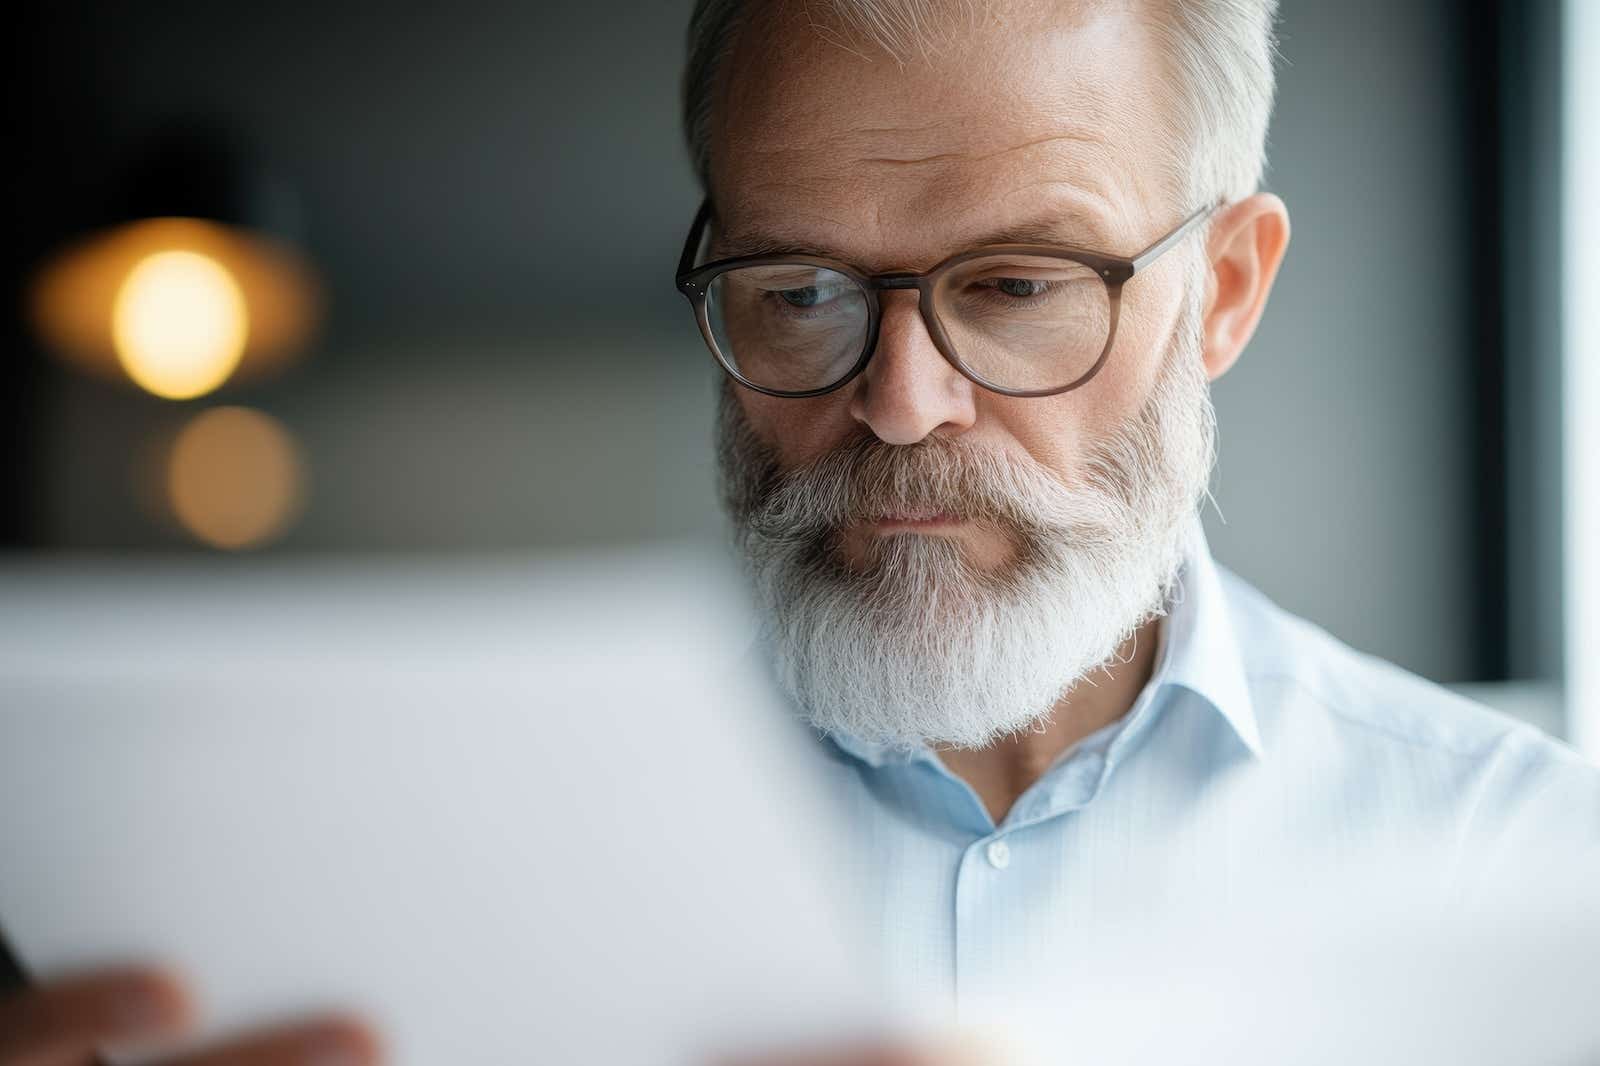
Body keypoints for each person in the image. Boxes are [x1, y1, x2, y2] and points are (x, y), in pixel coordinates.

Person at [5, 1, 1596, 1063]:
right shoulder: (406, 884)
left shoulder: (1531, 875)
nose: (899, 403)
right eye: (798, 292)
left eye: (1021, 286)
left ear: (1226, 292)